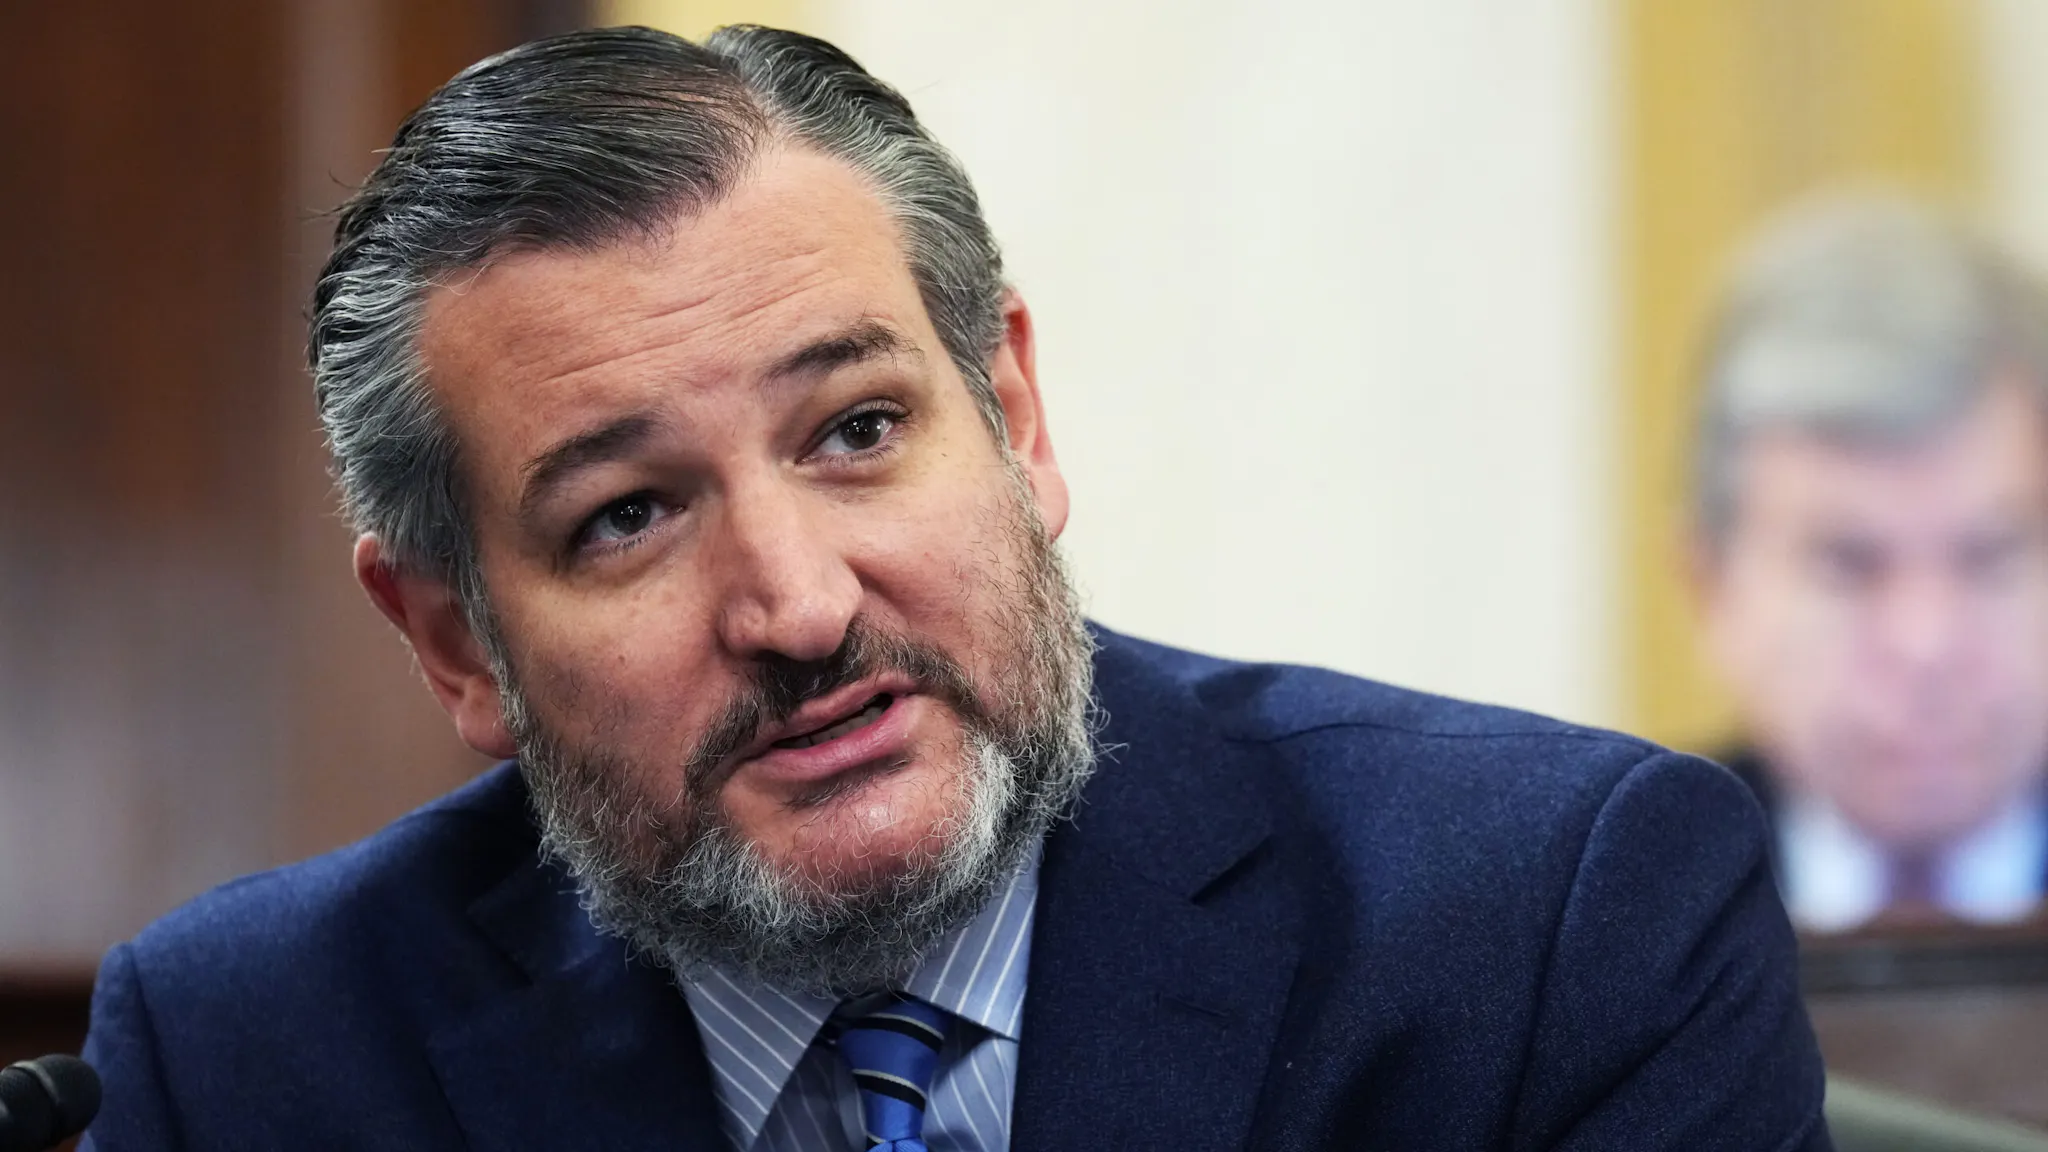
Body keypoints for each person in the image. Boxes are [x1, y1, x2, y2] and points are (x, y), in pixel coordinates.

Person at [80, 25, 1828, 1150]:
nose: (797, 603)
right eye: (625, 517)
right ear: (458, 637)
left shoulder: (1545, 927)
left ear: (1012, 414)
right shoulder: (256, 1058)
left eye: (852, 428)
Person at [1692, 195, 2048, 934]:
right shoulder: (1618, 926)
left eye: (1990, 557)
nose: (1927, 644)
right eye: (1849, 567)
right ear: (1712, 590)